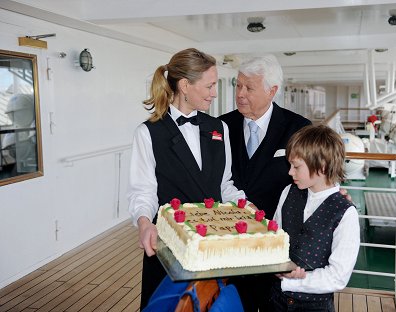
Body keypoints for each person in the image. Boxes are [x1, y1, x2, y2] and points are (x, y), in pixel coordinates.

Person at [127, 48, 247, 310]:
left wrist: (246, 207)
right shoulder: (148, 133)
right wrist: (145, 222)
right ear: (184, 85)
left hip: (213, 241)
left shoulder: (219, 128)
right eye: (210, 85)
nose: (214, 93)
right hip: (170, 245)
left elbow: (224, 185)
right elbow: (143, 191)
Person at [219, 54, 311, 311]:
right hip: (230, 239)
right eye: (238, 85)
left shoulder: (298, 128)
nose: (240, 93)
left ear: (272, 91)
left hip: (277, 240)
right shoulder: (222, 126)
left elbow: (314, 176)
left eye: (249, 87)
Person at [268, 124, 360, 312]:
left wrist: (294, 280)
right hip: (275, 301)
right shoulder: (288, 192)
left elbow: (338, 276)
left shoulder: (345, 213)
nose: (290, 172)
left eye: (296, 167)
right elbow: (274, 236)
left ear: (322, 167)